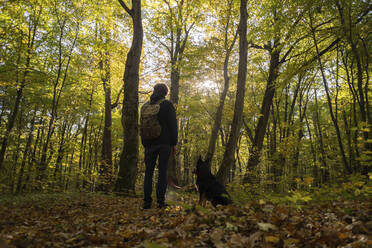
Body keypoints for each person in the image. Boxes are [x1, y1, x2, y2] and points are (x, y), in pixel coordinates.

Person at [141, 83, 178, 209]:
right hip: (164, 144)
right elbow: (173, 125)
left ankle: (147, 202)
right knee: (162, 172)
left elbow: (141, 127)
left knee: (148, 173)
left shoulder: (145, 106)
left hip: (149, 144)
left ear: (154, 91)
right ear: (165, 93)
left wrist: (145, 145)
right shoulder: (167, 105)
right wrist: (174, 143)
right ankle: (160, 202)